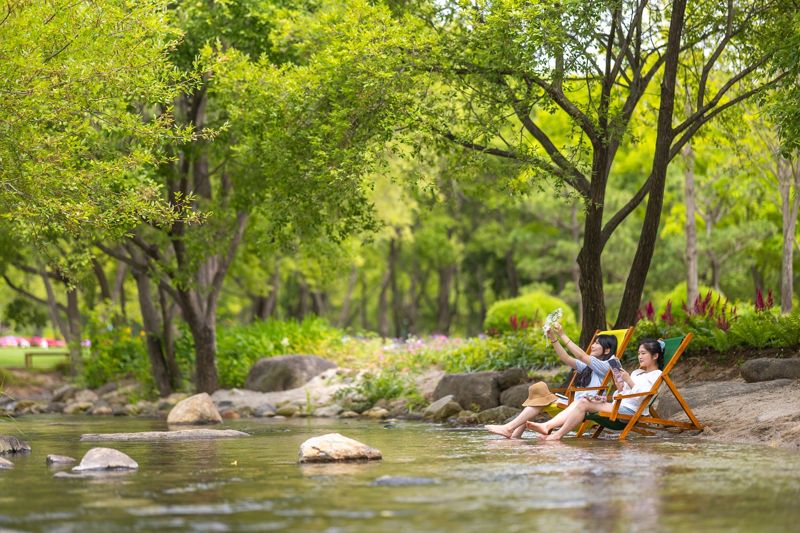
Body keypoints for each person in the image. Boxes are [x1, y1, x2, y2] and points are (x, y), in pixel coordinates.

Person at [485, 322, 618, 439]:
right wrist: (553, 338)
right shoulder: (588, 367)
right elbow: (565, 358)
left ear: (607, 350)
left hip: (585, 406)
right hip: (572, 404)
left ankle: (509, 428)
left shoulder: (608, 365)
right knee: (538, 390)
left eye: (597, 344)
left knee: (542, 398)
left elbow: (581, 355)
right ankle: (513, 433)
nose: (593, 346)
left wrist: (562, 334)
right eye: (594, 342)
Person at [526, 339, 665, 441]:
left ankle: (556, 433)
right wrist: (620, 386)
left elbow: (641, 398)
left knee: (584, 402)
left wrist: (628, 380)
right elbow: (624, 394)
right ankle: (549, 427)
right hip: (618, 406)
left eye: (643, 353)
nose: (640, 356)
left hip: (629, 412)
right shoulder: (637, 373)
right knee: (583, 401)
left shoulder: (657, 375)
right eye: (639, 353)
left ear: (655, 356)